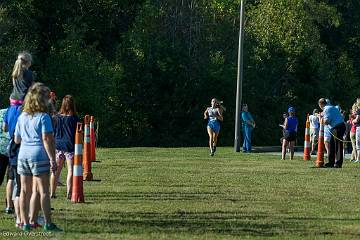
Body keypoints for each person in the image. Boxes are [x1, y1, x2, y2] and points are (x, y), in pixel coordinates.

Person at [14, 82, 62, 231]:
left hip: (23, 155)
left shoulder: (22, 116)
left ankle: (26, 223)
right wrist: (52, 159)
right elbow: (47, 139)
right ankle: (48, 223)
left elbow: (17, 139)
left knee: (24, 190)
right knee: (43, 191)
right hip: (38, 154)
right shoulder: (43, 117)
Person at [51, 95, 79, 199]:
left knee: (56, 171)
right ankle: (69, 193)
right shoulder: (74, 118)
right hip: (70, 147)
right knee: (71, 170)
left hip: (58, 146)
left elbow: (53, 131)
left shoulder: (57, 117)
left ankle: (52, 193)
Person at [318, 98, 346, 168]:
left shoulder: (326, 109)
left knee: (338, 145)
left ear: (320, 104)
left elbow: (326, 122)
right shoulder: (331, 107)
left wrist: (320, 118)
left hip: (338, 127)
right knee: (332, 145)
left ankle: (338, 163)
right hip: (336, 127)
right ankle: (331, 162)